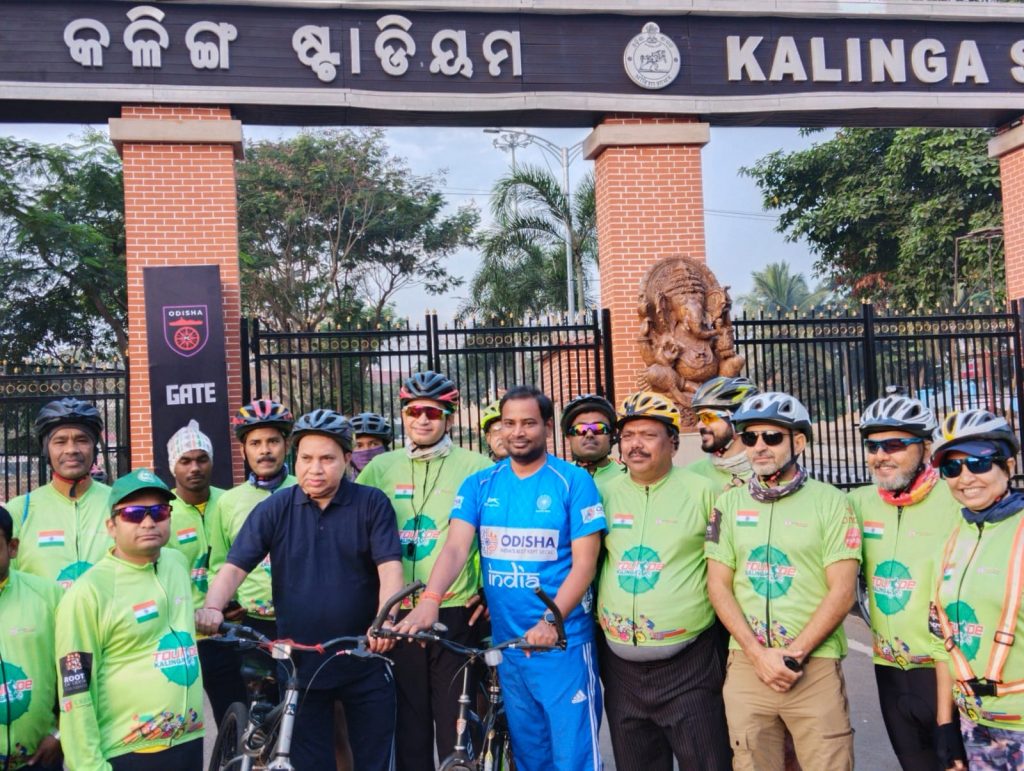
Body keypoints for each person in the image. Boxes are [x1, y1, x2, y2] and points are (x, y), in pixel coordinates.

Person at [396, 385, 607, 771]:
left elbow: (585, 566)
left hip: (562, 645)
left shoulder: (573, 482)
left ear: (546, 426)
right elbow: (457, 548)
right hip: (510, 647)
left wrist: (551, 621)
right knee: (529, 757)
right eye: (509, 423)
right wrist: (431, 599)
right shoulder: (480, 484)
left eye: (529, 423)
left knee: (573, 758)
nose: (518, 432)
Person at [196, 409, 403, 771]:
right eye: (306, 458)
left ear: (347, 459)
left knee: (374, 761)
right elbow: (235, 565)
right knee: (310, 763)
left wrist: (384, 622)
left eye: (327, 459)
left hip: (365, 658)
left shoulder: (371, 504)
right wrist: (213, 606)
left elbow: (390, 569)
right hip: (300, 666)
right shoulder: (276, 506)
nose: (315, 469)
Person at [705, 391, 860, 771]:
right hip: (747, 663)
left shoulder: (832, 502)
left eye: (772, 437)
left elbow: (842, 590)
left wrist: (794, 654)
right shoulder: (729, 503)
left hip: (813, 663)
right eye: (750, 437)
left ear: (799, 442)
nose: (759, 446)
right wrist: (759, 656)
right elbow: (718, 586)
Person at [357, 371, 491, 770]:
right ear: (403, 415)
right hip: (397, 615)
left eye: (433, 412)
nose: (423, 420)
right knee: (409, 732)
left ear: (449, 417)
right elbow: (356, 533)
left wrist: (487, 589)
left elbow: (493, 535)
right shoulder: (380, 468)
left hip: (453, 612)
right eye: (414, 411)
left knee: (456, 731)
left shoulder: (478, 466)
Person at [597, 391, 731, 771]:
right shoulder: (603, 495)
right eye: (628, 435)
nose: (635, 444)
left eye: (648, 434)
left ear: (673, 442)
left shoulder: (707, 493)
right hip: (621, 670)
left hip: (689, 666)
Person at [55, 469, 204, 769]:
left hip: (188, 741)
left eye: (159, 511)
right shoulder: (88, 593)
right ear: (111, 526)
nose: (149, 522)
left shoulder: (175, 562)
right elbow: (75, 688)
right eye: (134, 514)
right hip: (129, 752)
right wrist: (88, 765)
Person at [847, 395, 960, 771]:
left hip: (951, 670)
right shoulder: (858, 502)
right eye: (873, 446)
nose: (881, 455)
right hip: (890, 669)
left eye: (895, 444)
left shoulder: (956, 497)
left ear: (925, 447)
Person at [929, 409, 1024, 770]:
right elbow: (942, 641)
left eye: (979, 463)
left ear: (1008, 466)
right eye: (952, 469)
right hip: (974, 729)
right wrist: (945, 726)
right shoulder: (953, 539)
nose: (965, 477)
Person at [161, 419, 244, 728]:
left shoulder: (232, 501)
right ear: (173, 466)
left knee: (236, 716)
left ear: (212, 460)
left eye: (201, 458)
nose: (194, 467)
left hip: (232, 629)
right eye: (185, 460)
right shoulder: (161, 511)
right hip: (183, 635)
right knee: (180, 723)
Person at [208, 398, 295, 635]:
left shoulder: (305, 489)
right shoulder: (229, 502)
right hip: (254, 621)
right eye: (255, 443)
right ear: (242, 450)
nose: (265, 450)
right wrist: (226, 603)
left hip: (305, 616)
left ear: (286, 446)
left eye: (273, 442)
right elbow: (219, 563)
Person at [6, 398, 112, 590]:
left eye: (81, 440)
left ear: (94, 448)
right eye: (60, 441)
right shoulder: (20, 510)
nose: (71, 450)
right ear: (46, 449)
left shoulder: (118, 503)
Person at [0, 505, 62, 771]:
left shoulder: (49, 596)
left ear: (12, 547)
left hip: (39, 759)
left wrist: (60, 733)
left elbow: (77, 667)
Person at [685, 376, 761, 493]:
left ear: (738, 421)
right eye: (699, 418)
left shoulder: (768, 473)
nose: (699, 425)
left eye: (708, 417)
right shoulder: (692, 474)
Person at [561, 393, 624, 497]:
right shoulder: (559, 477)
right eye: (580, 429)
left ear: (611, 435)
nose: (589, 434)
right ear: (569, 437)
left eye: (599, 428)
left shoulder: (630, 475)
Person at [349, 412, 394, 477]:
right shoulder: (338, 485)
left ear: (385, 447)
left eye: (374, 444)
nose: (366, 451)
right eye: (359, 445)